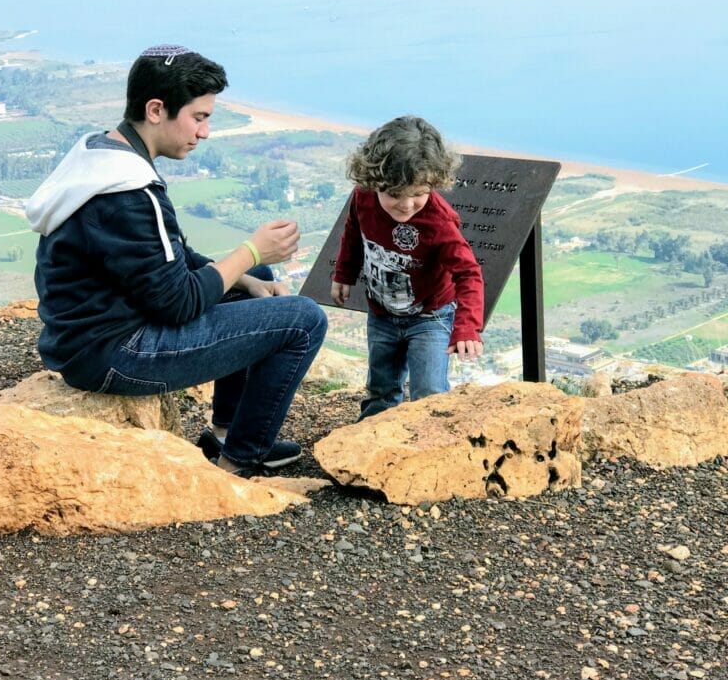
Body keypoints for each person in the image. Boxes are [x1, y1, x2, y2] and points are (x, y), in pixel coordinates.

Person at [26, 44, 327, 478]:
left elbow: (171, 257)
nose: (204, 132)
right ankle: (239, 462)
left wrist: (248, 275)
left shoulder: (101, 154)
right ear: (155, 110)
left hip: (86, 338)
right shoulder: (127, 191)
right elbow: (177, 303)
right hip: (115, 353)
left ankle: (224, 433)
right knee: (304, 320)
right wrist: (252, 250)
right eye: (199, 117)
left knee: (253, 278)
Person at [331, 115, 484, 419]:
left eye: (418, 193)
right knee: (380, 389)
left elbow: (468, 273)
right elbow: (353, 232)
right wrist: (344, 273)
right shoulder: (363, 197)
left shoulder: (439, 222)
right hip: (382, 315)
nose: (406, 204)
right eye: (394, 194)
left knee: (429, 393)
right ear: (373, 180)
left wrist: (466, 326)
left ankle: (432, 449)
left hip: (430, 317)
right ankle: (369, 441)